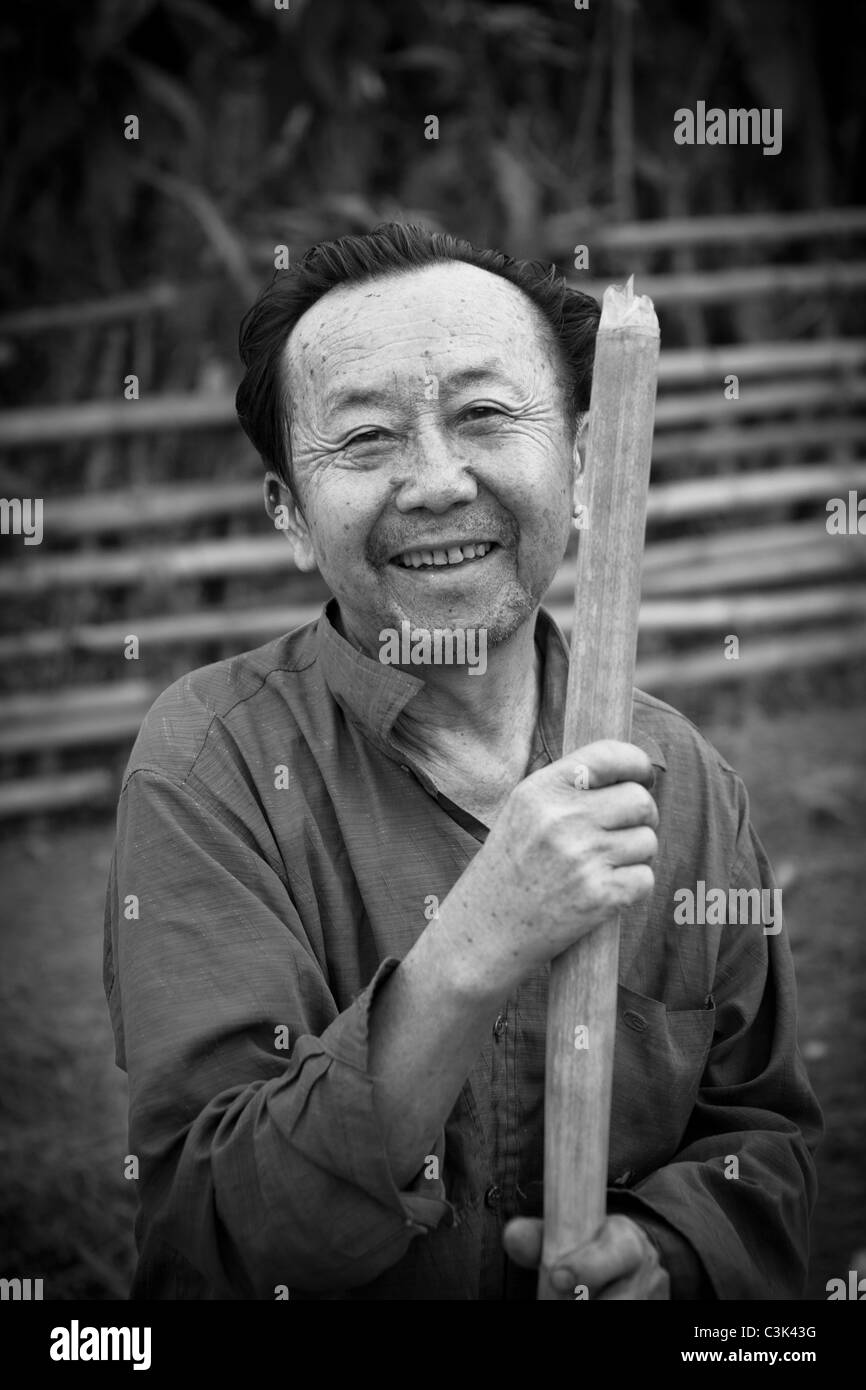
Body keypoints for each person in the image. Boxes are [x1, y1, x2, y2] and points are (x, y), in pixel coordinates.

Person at [104, 223, 822, 1300]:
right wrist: (475, 944)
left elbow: (760, 1140)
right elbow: (214, 1237)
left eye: (484, 415)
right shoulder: (210, 766)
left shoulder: (682, 781)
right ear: (291, 515)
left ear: (579, 467)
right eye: (365, 440)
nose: (436, 482)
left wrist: (672, 1254)